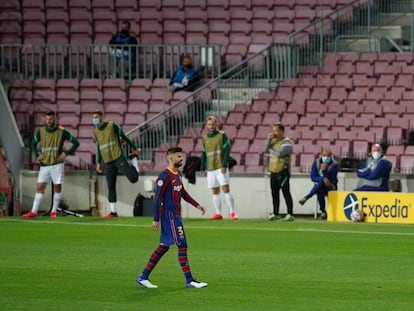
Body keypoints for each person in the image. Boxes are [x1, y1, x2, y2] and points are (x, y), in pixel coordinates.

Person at [137, 147, 208, 289]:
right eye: (179, 157)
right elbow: (157, 198)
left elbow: (183, 192)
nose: (182, 159)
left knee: (163, 247)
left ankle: (143, 277)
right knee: (182, 245)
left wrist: (197, 205)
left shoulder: (177, 174)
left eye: (181, 156)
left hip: (175, 216)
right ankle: (190, 280)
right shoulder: (164, 176)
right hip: (170, 217)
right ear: (171, 158)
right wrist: (156, 219)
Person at [22, 111, 79, 218]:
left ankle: (53, 211)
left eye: (51, 119)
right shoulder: (41, 131)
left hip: (57, 164)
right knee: (40, 187)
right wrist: (37, 153)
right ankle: (34, 211)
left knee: (57, 187)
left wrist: (65, 153)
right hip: (45, 164)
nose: (49, 121)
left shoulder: (62, 132)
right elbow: (33, 144)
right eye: (47, 119)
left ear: (55, 119)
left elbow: (76, 143)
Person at [92, 110, 141, 218]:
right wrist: (98, 162)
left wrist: (134, 148)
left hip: (118, 157)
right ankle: (113, 212)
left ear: (102, 117)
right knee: (111, 186)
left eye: (96, 117)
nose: (94, 120)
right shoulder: (95, 131)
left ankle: (134, 161)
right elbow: (99, 147)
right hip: (107, 161)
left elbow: (124, 137)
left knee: (133, 178)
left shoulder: (112, 125)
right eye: (93, 118)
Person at [200, 116, 238, 220]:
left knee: (225, 188)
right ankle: (218, 213)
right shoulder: (205, 138)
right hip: (211, 168)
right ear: (206, 125)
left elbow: (227, 150)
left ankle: (232, 212)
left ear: (216, 124)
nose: (211, 126)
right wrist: (202, 167)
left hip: (220, 166)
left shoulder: (222, 135)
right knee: (215, 190)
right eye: (209, 124)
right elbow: (204, 153)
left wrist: (224, 164)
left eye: (213, 124)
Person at [264, 122, 294, 221]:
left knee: (286, 193)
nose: (274, 133)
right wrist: (268, 140)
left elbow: (279, 154)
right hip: (273, 171)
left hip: (283, 171)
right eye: (273, 131)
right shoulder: (273, 141)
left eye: (276, 130)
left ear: (281, 131)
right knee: (274, 194)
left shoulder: (287, 143)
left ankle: (290, 214)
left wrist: (269, 149)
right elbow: (265, 149)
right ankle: (275, 213)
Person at [298, 148, 338, 220]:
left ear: (331, 156)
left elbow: (332, 179)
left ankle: (307, 197)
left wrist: (324, 171)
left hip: (331, 186)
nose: (326, 157)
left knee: (320, 185)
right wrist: (323, 178)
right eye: (324, 155)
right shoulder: (316, 162)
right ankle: (323, 212)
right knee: (320, 188)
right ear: (321, 155)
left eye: (328, 156)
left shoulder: (335, 165)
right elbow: (313, 177)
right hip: (320, 186)